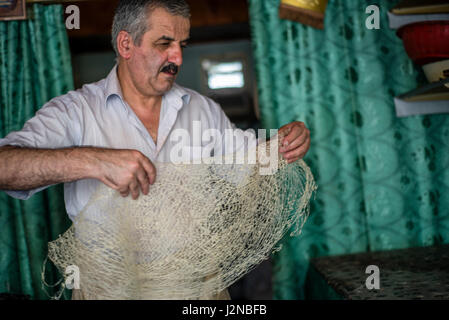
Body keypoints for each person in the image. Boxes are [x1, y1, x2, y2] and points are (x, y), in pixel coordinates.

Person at [0, 0, 310, 299]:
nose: (177, 57)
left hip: (198, 288)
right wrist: (94, 161)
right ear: (125, 45)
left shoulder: (201, 108)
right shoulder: (76, 110)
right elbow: (6, 167)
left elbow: (252, 160)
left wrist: (284, 144)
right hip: (110, 291)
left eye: (182, 45)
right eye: (164, 43)